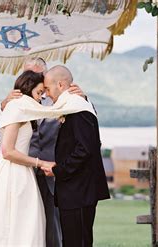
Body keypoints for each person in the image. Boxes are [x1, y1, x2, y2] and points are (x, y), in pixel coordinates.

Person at [0, 70, 95, 246]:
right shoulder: (16, 107)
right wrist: (40, 162)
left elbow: (77, 114)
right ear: (27, 89)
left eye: (43, 91)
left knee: (43, 226)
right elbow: (7, 150)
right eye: (39, 92)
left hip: (41, 175)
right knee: (3, 223)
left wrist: (81, 99)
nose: (42, 97)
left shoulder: (45, 107)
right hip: (16, 172)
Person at [0, 58, 86, 247]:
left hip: (51, 173)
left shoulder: (59, 99)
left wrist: (82, 99)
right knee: (16, 226)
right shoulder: (15, 103)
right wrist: (3, 106)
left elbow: (82, 122)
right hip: (19, 173)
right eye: (28, 74)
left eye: (37, 75)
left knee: (51, 227)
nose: (32, 79)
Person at [41, 65, 110, 247]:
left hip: (79, 191)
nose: (46, 94)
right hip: (74, 191)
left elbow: (85, 150)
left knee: (77, 242)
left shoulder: (78, 109)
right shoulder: (72, 107)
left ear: (61, 84)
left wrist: (58, 170)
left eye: (48, 88)